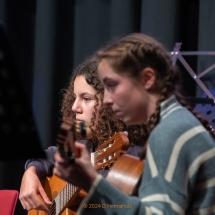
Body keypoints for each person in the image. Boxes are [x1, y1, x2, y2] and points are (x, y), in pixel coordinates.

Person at [53, 33, 215, 215]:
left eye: (112, 86)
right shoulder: (175, 123)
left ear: (147, 79)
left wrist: (92, 183)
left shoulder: (170, 131)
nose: (106, 100)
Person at [19, 55, 147, 213]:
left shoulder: (136, 160)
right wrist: (31, 171)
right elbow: (48, 155)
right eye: (74, 97)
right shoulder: (87, 146)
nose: (74, 107)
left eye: (86, 98)